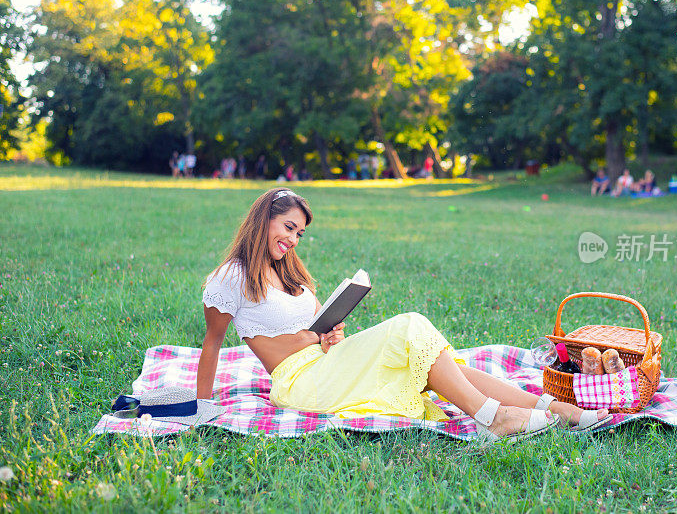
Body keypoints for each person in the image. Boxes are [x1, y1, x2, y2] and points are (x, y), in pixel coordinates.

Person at [197, 188, 611, 442]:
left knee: (433, 360)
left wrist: (328, 337)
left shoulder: (291, 272)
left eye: (298, 233)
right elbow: (212, 345)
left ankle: (554, 408)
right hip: (299, 384)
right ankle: (491, 416)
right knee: (409, 327)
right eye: (287, 227)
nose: (291, 239)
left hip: (328, 364)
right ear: (263, 218)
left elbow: (313, 334)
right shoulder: (231, 278)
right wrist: (202, 406)